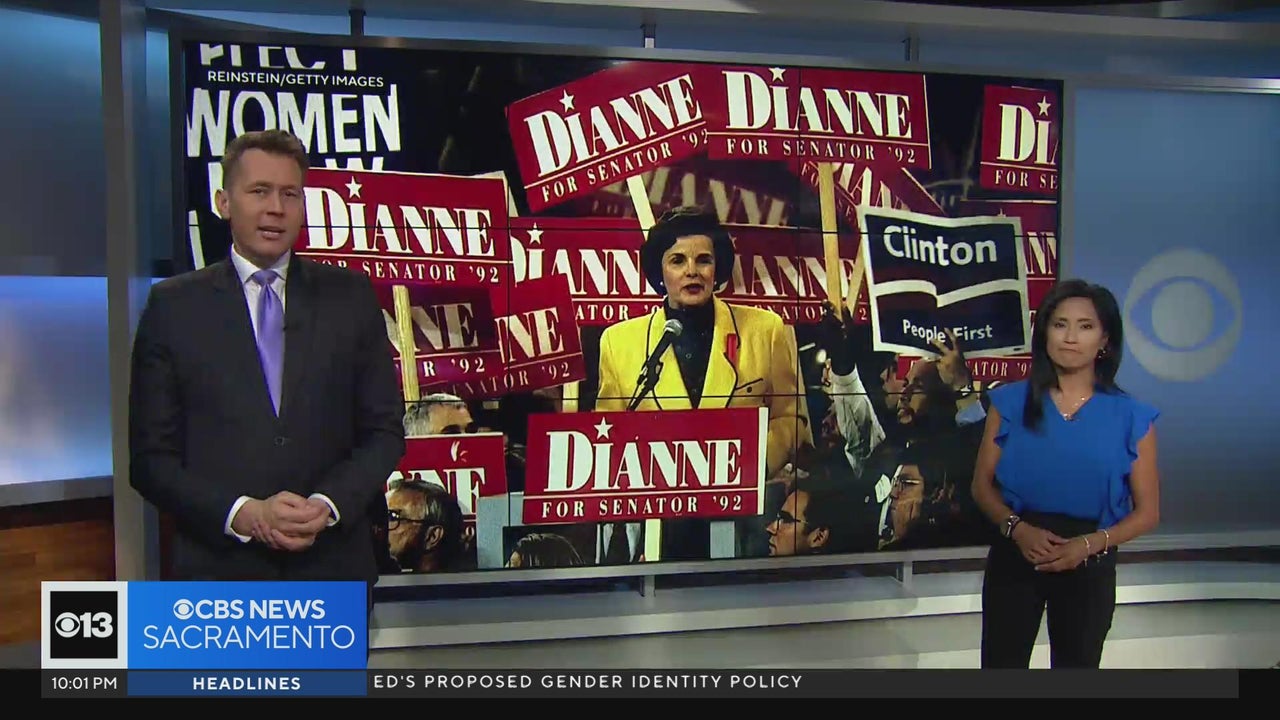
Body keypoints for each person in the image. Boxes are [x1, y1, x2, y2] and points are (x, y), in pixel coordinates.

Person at [128, 129, 405, 603]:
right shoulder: (173, 307)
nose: (276, 208)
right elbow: (151, 461)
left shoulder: (350, 297)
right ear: (224, 202)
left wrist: (327, 505)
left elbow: (384, 432)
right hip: (218, 579)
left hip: (332, 573)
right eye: (259, 191)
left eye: (289, 194)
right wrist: (244, 514)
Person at [594, 206, 811, 560]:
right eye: (678, 260)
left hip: (744, 521)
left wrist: (749, 466)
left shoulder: (765, 329)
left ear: (718, 268)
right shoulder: (618, 343)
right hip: (660, 528)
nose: (692, 271)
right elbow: (606, 434)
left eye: (704, 260)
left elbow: (792, 418)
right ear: (660, 271)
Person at [970, 279, 1161, 668]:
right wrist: (1018, 530)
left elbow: (1148, 513)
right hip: (1017, 549)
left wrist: (1087, 546)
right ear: (1044, 333)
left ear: (1104, 340)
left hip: (1090, 558)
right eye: (1060, 324)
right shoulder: (1009, 402)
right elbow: (981, 486)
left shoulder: (1132, 416)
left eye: (1085, 326)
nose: (1070, 337)